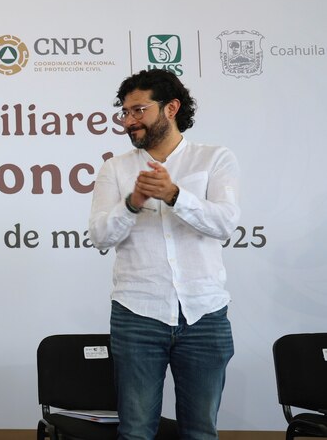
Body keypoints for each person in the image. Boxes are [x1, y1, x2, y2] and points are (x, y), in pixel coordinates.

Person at [88, 68, 241, 440]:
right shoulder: (116, 169)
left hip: (204, 313)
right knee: (136, 430)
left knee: (201, 431)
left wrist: (175, 196)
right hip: (137, 314)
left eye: (138, 110)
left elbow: (224, 224)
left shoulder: (214, 158)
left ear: (171, 108)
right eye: (125, 113)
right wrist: (134, 202)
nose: (129, 121)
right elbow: (100, 236)